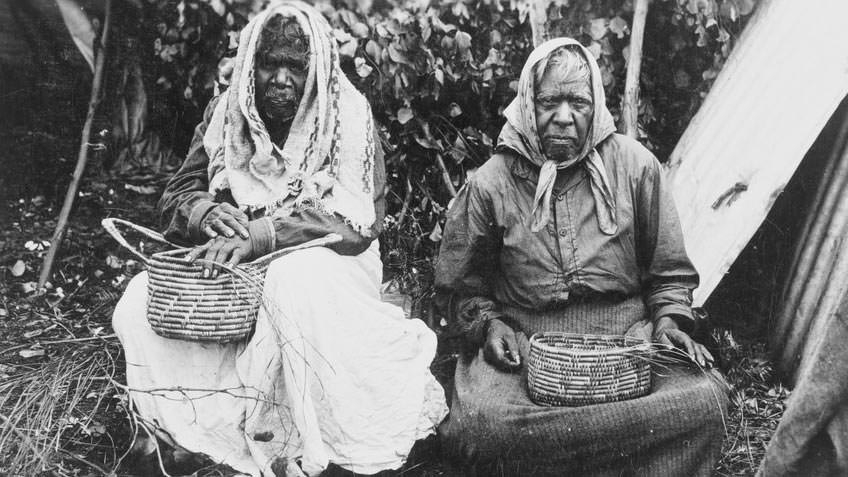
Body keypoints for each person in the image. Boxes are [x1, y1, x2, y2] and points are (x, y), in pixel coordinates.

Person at [111, 2, 447, 476]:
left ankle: (312, 445)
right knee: (137, 298)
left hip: (328, 265)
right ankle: (192, 431)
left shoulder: (347, 115)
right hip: (240, 265)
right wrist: (207, 213)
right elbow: (178, 193)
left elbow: (358, 224)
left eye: (296, 66)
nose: (282, 80)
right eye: (270, 63)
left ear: (316, 68)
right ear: (252, 63)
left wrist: (266, 234)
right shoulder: (228, 112)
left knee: (291, 281)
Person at [434, 38, 728, 476]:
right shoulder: (492, 183)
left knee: (704, 402)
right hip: (527, 350)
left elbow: (668, 273)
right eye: (549, 102)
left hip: (630, 344)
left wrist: (669, 322)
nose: (564, 117)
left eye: (578, 103)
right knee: (483, 426)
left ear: (597, 106)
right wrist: (490, 324)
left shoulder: (635, 166)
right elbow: (462, 286)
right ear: (527, 104)